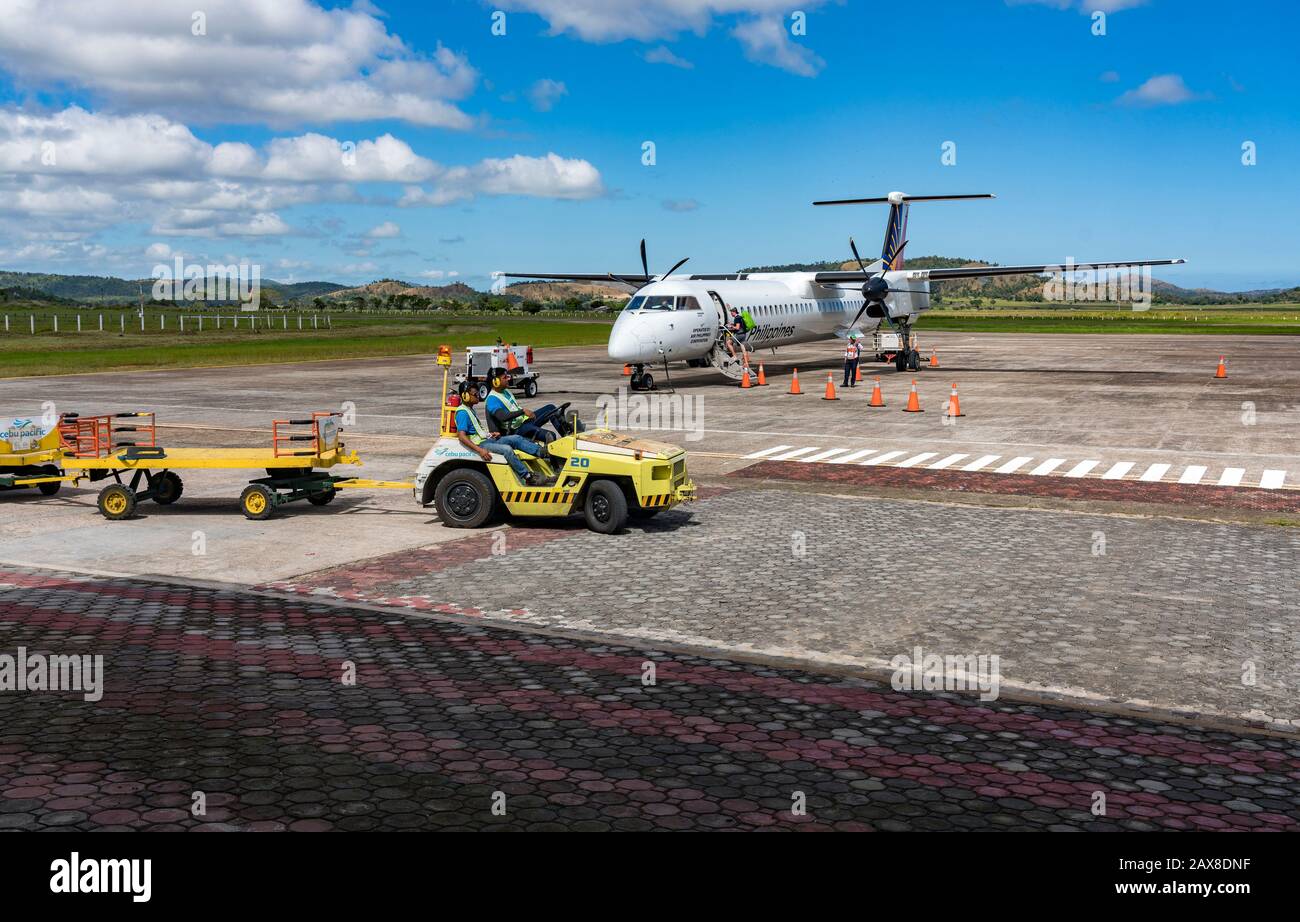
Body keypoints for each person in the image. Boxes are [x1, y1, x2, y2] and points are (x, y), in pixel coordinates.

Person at [454, 388, 554, 486]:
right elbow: (461, 436)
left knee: (516, 438)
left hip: (487, 440)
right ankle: (528, 477)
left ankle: (541, 452)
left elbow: (476, 432)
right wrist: (480, 450)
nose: (478, 396)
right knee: (507, 449)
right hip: (481, 445)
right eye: (475, 394)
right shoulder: (462, 413)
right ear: (465, 396)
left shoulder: (469, 410)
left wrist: (490, 434)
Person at [485, 368, 557, 445]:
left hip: (524, 421)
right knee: (551, 435)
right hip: (517, 429)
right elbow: (503, 417)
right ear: (496, 382)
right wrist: (523, 411)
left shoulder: (505, 391)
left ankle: (567, 434)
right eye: (505, 378)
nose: (508, 379)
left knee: (551, 408)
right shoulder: (492, 399)